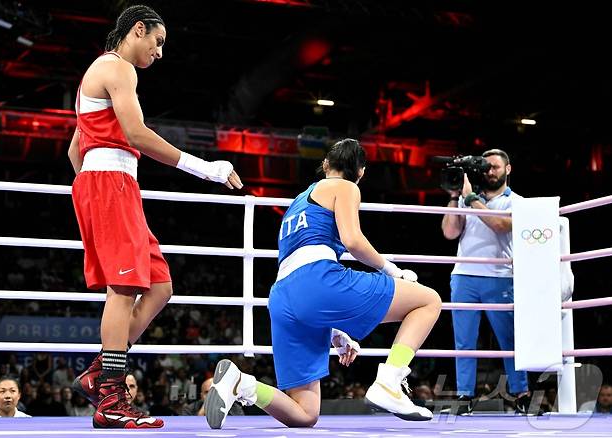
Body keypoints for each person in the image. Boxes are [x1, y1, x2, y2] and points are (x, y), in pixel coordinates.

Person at [66, 4, 243, 430]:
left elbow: (75, 149)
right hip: (111, 184)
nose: (160, 52)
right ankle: (110, 396)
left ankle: (98, 373)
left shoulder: (100, 74)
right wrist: (207, 168)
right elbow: (136, 134)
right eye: (157, 41)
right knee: (124, 287)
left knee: (159, 286)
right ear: (137, 30)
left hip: (111, 184)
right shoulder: (118, 68)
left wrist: (98, 186)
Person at [203, 139, 442, 429]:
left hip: (283, 296)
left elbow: (303, 277)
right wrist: (392, 269)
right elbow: (352, 241)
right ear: (361, 172)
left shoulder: (297, 203)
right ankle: (390, 382)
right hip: (316, 281)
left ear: (326, 164)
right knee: (428, 301)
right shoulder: (345, 187)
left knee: (305, 414)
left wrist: (334, 331)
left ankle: (241, 384)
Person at [441, 148, 530, 414]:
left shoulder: (517, 201)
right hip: (464, 275)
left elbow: (501, 226)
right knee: (464, 341)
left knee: (509, 340)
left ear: (508, 169)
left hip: (500, 276)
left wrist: (471, 200)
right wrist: (456, 198)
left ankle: (520, 394)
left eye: (495, 167)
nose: (490, 172)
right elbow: (449, 232)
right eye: (486, 167)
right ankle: (464, 396)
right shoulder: (468, 198)